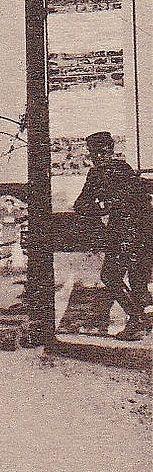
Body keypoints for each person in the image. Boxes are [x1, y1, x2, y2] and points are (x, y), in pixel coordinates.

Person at [74, 131, 153, 341]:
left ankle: (138, 320)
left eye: (100, 152)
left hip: (123, 234)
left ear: (107, 151)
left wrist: (102, 209)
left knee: (110, 277)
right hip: (143, 233)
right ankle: (140, 320)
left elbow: (80, 205)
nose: (98, 156)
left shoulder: (97, 174)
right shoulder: (126, 170)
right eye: (96, 153)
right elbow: (143, 201)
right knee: (137, 281)